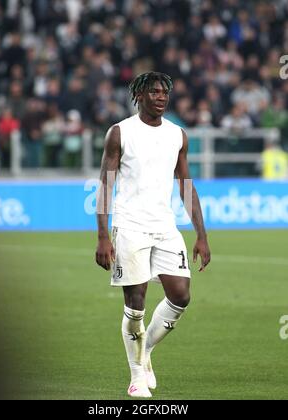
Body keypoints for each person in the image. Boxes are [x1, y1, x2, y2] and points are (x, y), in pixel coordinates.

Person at [95, 72, 211, 398]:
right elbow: (104, 186)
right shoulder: (120, 133)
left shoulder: (178, 135)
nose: (161, 97)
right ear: (139, 96)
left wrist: (201, 235)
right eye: (154, 92)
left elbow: (186, 186)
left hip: (165, 226)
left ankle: (145, 353)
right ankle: (135, 377)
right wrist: (103, 236)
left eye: (165, 92)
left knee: (181, 295)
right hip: (130, 226)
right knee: (136, 303)